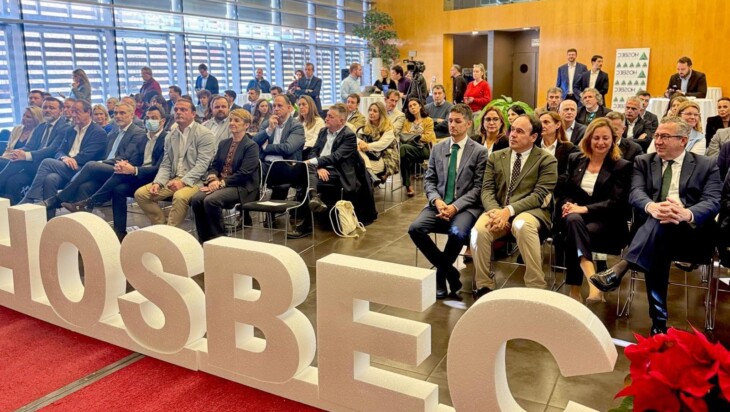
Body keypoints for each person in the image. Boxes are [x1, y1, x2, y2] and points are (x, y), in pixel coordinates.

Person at [590, 117, 721, 336]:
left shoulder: (705, 165)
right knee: (659, 235)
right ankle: (658, 323)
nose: (657, 141)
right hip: (654, 232)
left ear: (683, 140)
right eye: (657, 135)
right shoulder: (644, 161)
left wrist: (686, 213)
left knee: (659, 233)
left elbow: (713, 200)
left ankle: (624, 271)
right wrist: (652, 207)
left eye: (665, 137)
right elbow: (636, 193)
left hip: (691, 233)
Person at [470, 114, 558, 298]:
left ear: (533, 137)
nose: (513, 135)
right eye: (512, 130)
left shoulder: (547, 160)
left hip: (532, 212)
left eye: (520, 131)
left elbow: (539, 196)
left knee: (521, 225)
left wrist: (508, 211)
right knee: (478, 231)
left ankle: (536, 287)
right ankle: (484, 285)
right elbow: (487, 190)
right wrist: (496, 212)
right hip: (497, 210)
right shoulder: (496, 157)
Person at [409, 104, 488, 299]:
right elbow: (429, 180)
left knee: (457, 232)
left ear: (468, 124)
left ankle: (440, 275)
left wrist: (455, 206)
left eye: (457, 121)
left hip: (465, 207)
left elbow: (478, 188)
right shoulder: (438, 148)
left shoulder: (479, 151)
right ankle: (450, 272)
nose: (452, 125)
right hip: (439, 204)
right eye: (450, 120)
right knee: (415, 229)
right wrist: (436, 200)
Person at [60, 106, 168, 240]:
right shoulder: (143, 138)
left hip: (154, 178)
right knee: (118, 188)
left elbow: (160, 168)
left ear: (162, 121)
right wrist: (126, 165)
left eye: (154, 118)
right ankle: (119, 233)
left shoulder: (166, 139)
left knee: (94, 166)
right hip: (135, 174)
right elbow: (134, 158)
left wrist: (133, 169)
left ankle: (77, 199)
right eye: (148, 118)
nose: (150, 121)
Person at [555, 118, 631, 303]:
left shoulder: (621, 166)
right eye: (596, 138)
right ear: (588, 139)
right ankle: (594, 283)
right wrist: (567, 204)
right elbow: (566, 191)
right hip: (575, 216)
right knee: (573, 221)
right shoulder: (575, 159)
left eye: (606, 138)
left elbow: (616, 203)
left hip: (606, 221)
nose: (601, 142)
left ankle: (575, 289)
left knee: (574, 232)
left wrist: (582, 209)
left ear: (613, 140)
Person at [47, 102, 146, 219]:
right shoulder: (113, 133)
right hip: (107, 169)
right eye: (115, 113)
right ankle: (81, 221)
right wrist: (101, 162)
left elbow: (127, 157)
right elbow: (105, 155)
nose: (118, 116)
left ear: (132, 114)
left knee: (91, 165)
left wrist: (101, 163)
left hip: (124, 170)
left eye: (122, 113)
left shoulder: (137, 132)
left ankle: (60, 198)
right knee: (85, 186)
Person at [293, 103, 375, 238]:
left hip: (338, 172)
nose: (326, 118)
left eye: (331, 117)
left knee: (306, 176)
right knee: (306, 172)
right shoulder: (323, 131)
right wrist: (319, 167)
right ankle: (314, 198)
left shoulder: (349, 136)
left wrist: (315, 163)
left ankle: (307, 224)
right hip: (319, 169)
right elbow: (313, 151)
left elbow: (336, 157)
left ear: (341, 121)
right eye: (327, 115)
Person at [134, 99, 216, 228]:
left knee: (179, 196)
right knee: (141, 194)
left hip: (196, 180)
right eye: (176, 110)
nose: (178, 112)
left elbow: (202, 165)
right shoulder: (170, 135)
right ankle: (161, 226)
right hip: (174, 178)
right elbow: (166, 164)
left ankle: (171, 232)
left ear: (193, 114)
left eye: (183, 110)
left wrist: (183, 182)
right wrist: (158, 182)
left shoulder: (204, 134)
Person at [20, 100, 108, 207]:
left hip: (83, 169)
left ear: (88, 112)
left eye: (77, 112)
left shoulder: (98, 132)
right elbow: (59, 150)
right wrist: (64, 157)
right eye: (72, 111)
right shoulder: (70, 130)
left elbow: (88, 155)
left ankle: (30, 197)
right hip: (66, 165)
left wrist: (72, 159)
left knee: (47, 162)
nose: (73, 115)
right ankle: (48, 212)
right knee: (50, 178)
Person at [192, 109, 260, 243]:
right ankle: (204, 238)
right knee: (196, 199)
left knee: (211, 200)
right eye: (231, 120)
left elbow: (244, 173)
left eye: (236, 120)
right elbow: (214, 165)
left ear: (246, 125)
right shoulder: (224, 143)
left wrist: (220, 183)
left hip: (241, 187)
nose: (232, 123)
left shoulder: (251, 146)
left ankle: (220, 239)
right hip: (220, 184)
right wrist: (213, 179)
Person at [0, 97, 71, 204]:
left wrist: (25, 155)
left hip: (48, 165)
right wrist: (18, 152)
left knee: (12, 163)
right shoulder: (41, 126)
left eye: (51, 108)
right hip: (33, 164)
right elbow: (29, 146)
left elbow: (52, 150)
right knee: (13, 181)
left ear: (61, 111)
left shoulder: (64, 128)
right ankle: (14, 209)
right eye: (45, 107)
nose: (47, 110)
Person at [253, 94, 305, 170]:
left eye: (279, 106)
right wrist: (269, 130)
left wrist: (266, 147)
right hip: (265, 164)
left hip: (285, 165)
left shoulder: (296, 126)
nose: (276, 109)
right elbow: (254, 143)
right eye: (274, 106)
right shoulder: (267, 123)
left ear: (289, 108)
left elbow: (287, 148)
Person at [400, 98, 436, 197]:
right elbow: (404, 137)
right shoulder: (407, 121)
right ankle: (408, 185)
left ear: (420, 106)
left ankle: (407, 184)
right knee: (404, 155)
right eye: (410, 106)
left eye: (414, 105)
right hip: (410, 149)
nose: (412, 107)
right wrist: (418, 136)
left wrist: (414, 136)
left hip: (424, 149)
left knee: (403, 149)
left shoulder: (428, 120)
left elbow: (429, 137)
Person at [357, 101, 399, 182]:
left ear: (381, 114)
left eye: (375, 111)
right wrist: (360, 144)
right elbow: (357, 138)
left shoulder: (388, 128)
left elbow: (381, 144)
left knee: (358, 167)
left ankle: (369, 182)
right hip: (369, 155)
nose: (371, 113)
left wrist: (366, 146)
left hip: (385, 157)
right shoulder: (366, 127)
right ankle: (371, 178)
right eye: (370, 110)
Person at [538, 111, 578, 176]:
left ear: (558, 125)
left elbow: (568, 174)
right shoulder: (533, 145)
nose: (542, 126)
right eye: (540, 123)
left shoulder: (569, 148)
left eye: (546, 122)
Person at [298, 95, 325, 159]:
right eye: (299, 105)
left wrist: (299, 145)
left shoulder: (319, 121)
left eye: (304, 104)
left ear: (311, 106)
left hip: (310, 151)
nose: (301, 107)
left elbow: (316, 141)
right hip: (298, 150)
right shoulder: (297, 121)